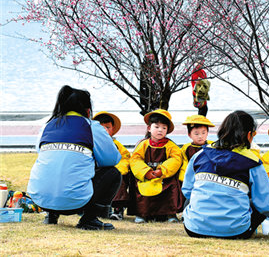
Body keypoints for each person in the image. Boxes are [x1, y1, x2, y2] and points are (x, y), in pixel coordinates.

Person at [27, 85, 121, 230]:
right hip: (75, 202)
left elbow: (41, 153)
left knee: (55, 166)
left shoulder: (47, 126)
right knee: (113, 173)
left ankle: (51, 215)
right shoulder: (92, 127)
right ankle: (89, 219)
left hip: (41, 200)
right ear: (88, 110)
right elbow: (112, 159)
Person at [182, 110, 269, 239]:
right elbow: (265, 202)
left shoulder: (199, 156)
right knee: (256, 201)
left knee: (191, 197)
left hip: (194, 229)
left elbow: (187, 190)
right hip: (236, 232)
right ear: (249, 135)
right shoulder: (253, 163)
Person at [129, 109, 183, 223]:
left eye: (164, 127)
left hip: (164, 177)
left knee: (171, 185)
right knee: (140, 187)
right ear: (149, 128)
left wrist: (162, 171)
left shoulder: (171, 145)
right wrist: (145, 172)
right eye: (157, 126)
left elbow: (176, 159)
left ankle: (170, 214)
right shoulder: (143, 144)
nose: (160, 130)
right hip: (146, 175)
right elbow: (135, 159)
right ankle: (142, 214)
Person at [93, 111, 131, 221]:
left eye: (108, 127)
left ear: (113, 129)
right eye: (101, 127)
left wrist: (119, 169)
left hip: (113, 172)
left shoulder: (117, 145)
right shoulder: (91, 143)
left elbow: (125, 158)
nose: (105, 130)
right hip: (96, 172)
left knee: (120, 184)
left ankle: (118, 210)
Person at [178, 114, 215, 182]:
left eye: (203, 133)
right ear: (189, 135)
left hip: (209, 175)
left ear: (207, 133)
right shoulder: (186, 148)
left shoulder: (213, 146)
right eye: (196, 134)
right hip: (192, 175)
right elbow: (185, 164)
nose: (200, 136)